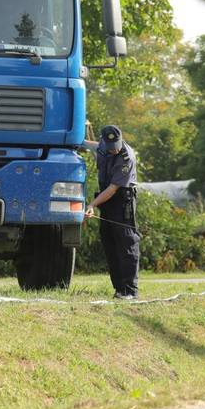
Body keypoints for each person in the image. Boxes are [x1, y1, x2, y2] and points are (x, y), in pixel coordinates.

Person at [85, 125, 141, 299]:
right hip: (106, 199)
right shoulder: (102, 146)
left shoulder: (126, 157)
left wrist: (92, 205)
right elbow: (90, 145)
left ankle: (130, 291)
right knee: (109, 242)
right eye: (110, 146)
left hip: (121, 198)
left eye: (116, 144)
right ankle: (119, 289)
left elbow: (113, 189)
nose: (114, 149)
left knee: (127, 243)